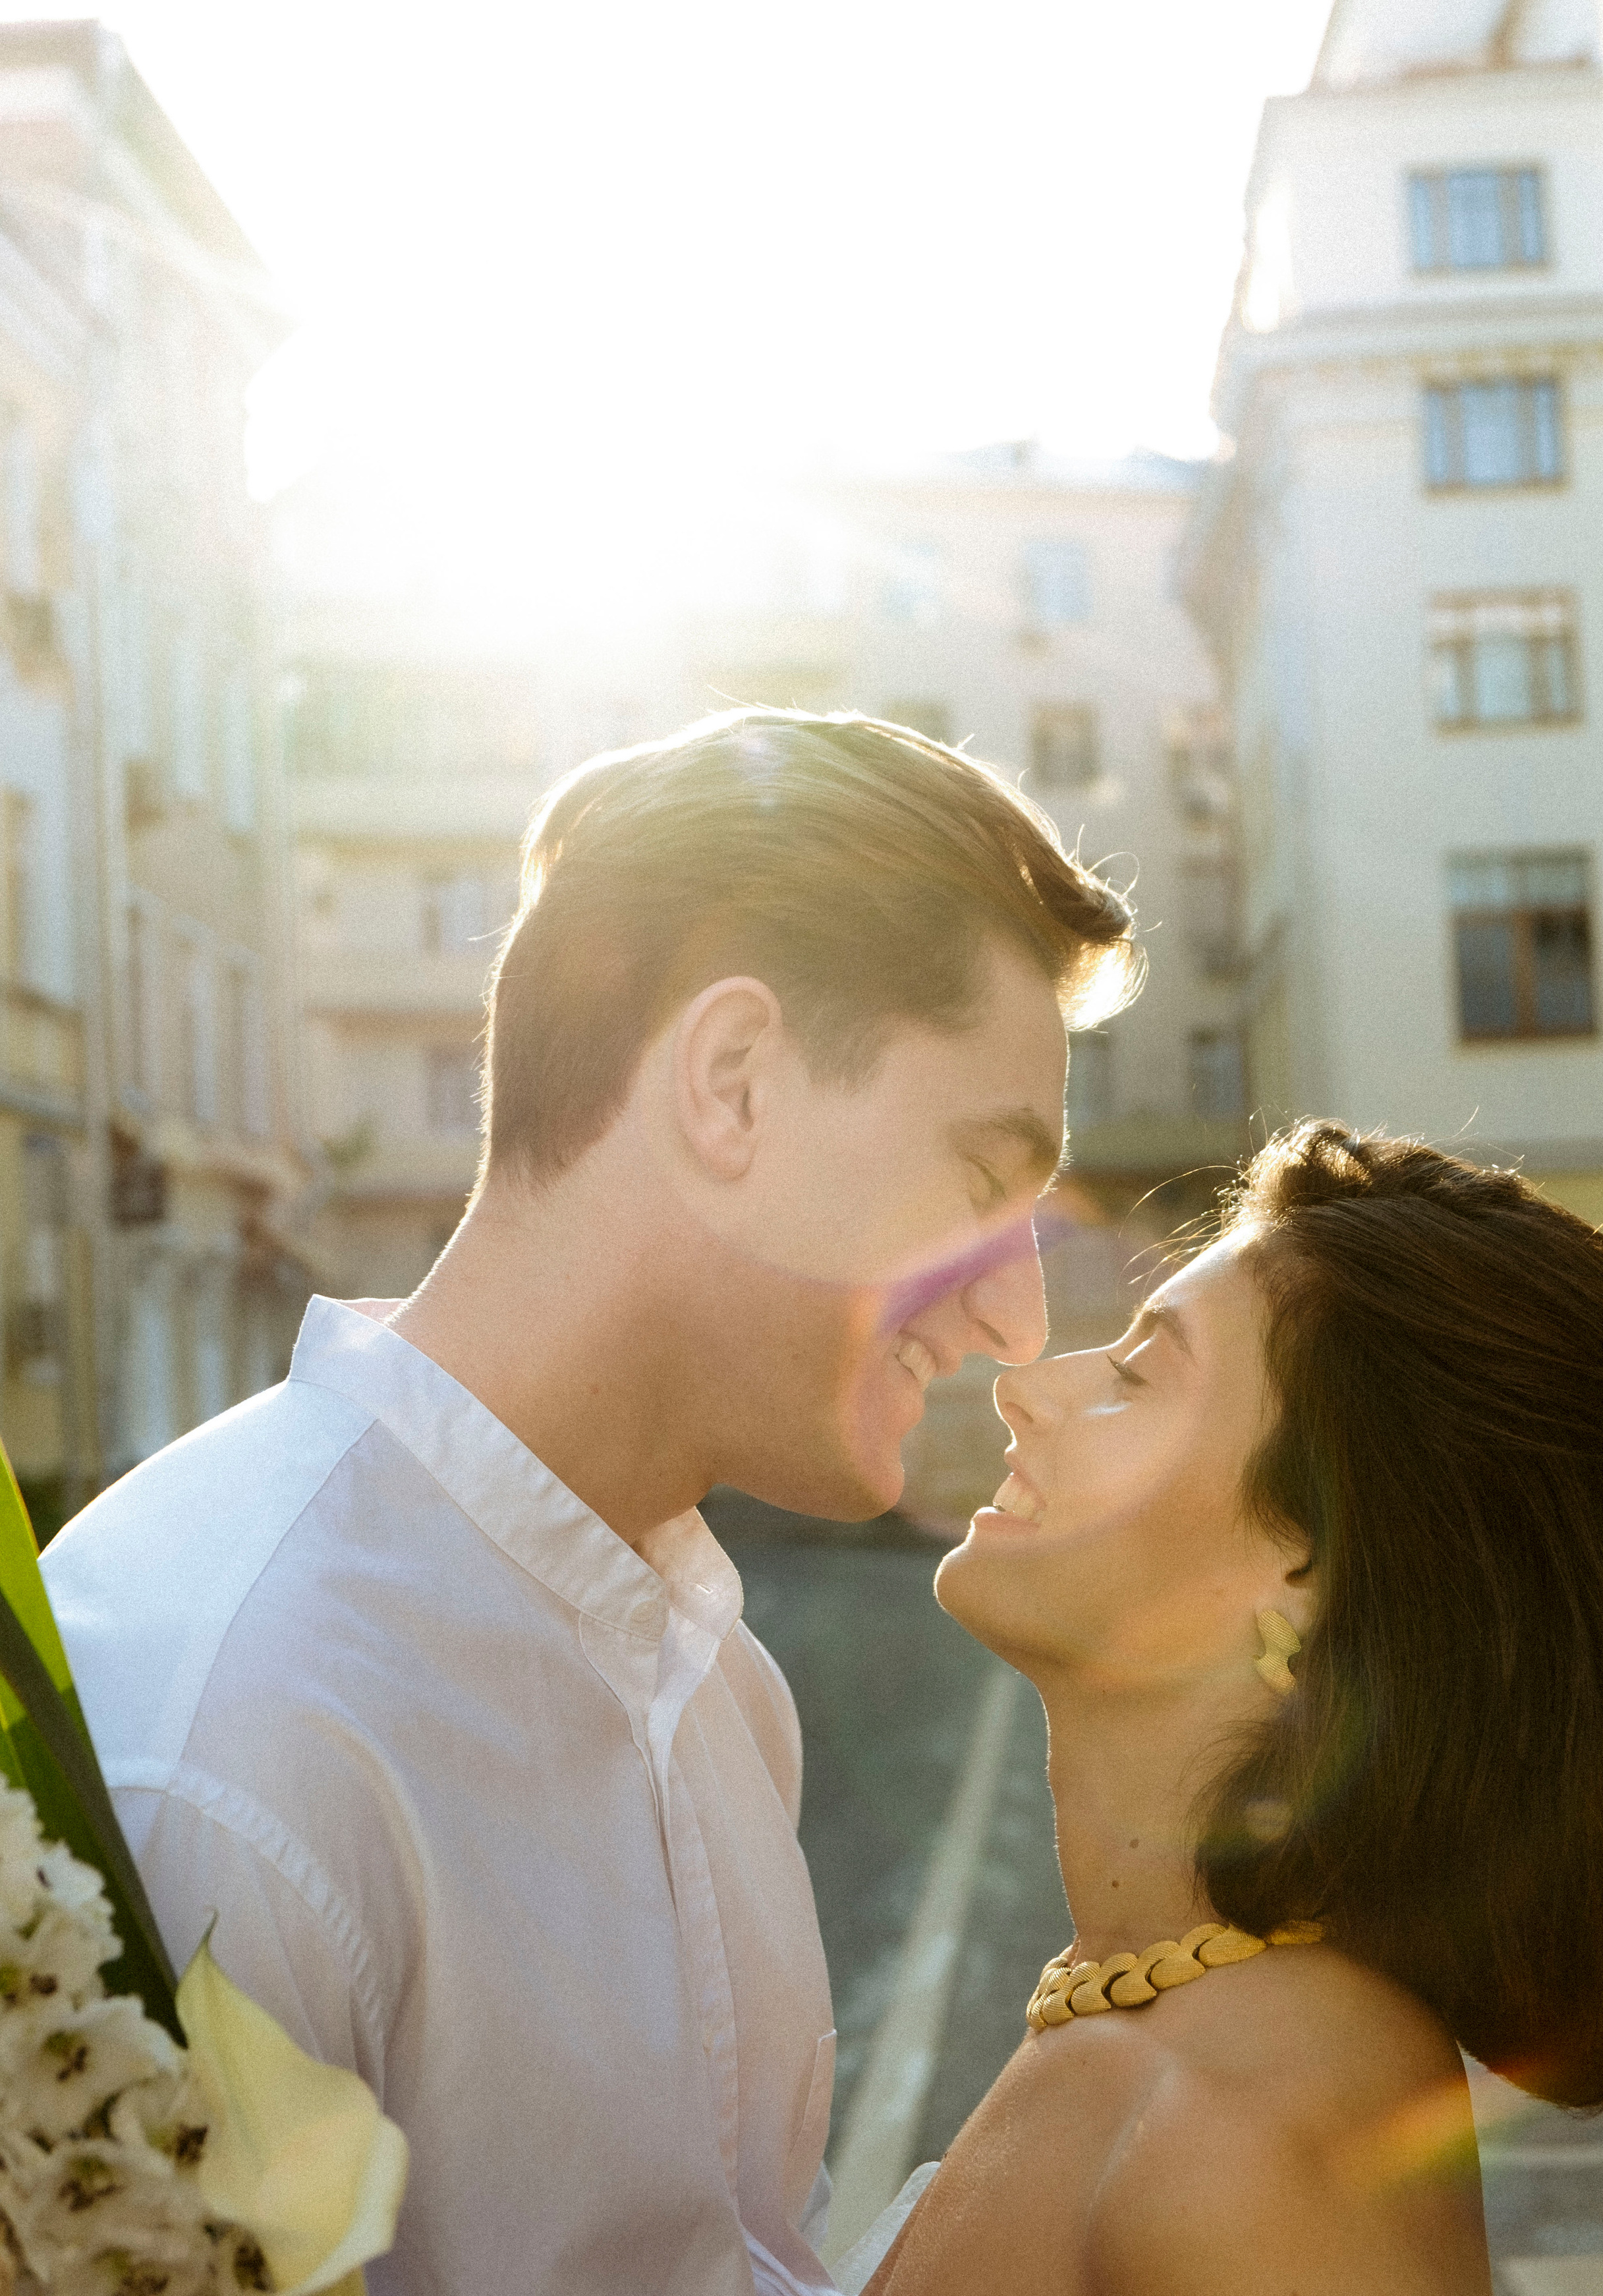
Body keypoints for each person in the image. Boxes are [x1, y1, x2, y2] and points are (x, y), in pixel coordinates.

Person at [43, 709, 1139, 2296]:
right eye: (983, 1182)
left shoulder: (715, 1687)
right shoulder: (229, 1748)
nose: (1017, 1324)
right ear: (732, 1082)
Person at [864, 1122, 1603, 2296]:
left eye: (1137, 1376)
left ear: (1312, 1572)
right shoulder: (1167, 2015)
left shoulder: (1254, 2146)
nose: (1028, 1390)